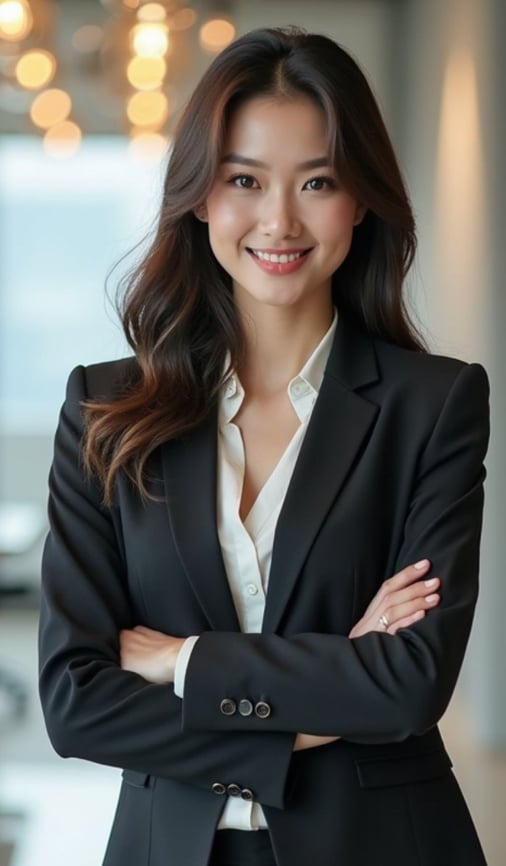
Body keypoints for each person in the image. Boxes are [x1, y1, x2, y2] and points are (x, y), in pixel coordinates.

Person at [38, 26, 490, 866]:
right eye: (245, 179)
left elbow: (407, 687)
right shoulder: (105, 408)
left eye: (318, 181)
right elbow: (77, 703)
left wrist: (184, 660)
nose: (279, 219)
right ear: (201, 195)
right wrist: (324, 693)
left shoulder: (434, 405)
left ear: (361, 200)